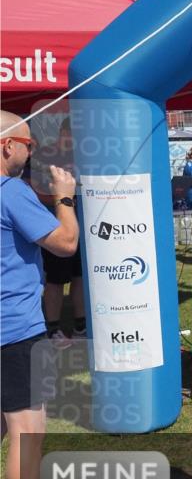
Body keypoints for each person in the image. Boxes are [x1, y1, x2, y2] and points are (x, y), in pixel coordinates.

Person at [1, 110, 82, 479]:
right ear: (7, 146)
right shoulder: (10, 191)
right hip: (14, 328)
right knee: (26, 435)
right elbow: (66, 243)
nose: (33, 151)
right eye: (29, 143)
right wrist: (66, 197)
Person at [27, 119, 86, 343]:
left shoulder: (81, 156)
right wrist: (62, 197)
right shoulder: (44, 156)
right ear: (63, 133)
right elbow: (33, 190)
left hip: (80, 227)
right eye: (70, 135)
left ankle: (81, 326)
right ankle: (53, 329)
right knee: (56, 280)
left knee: (80, 277)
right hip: (53, 227)